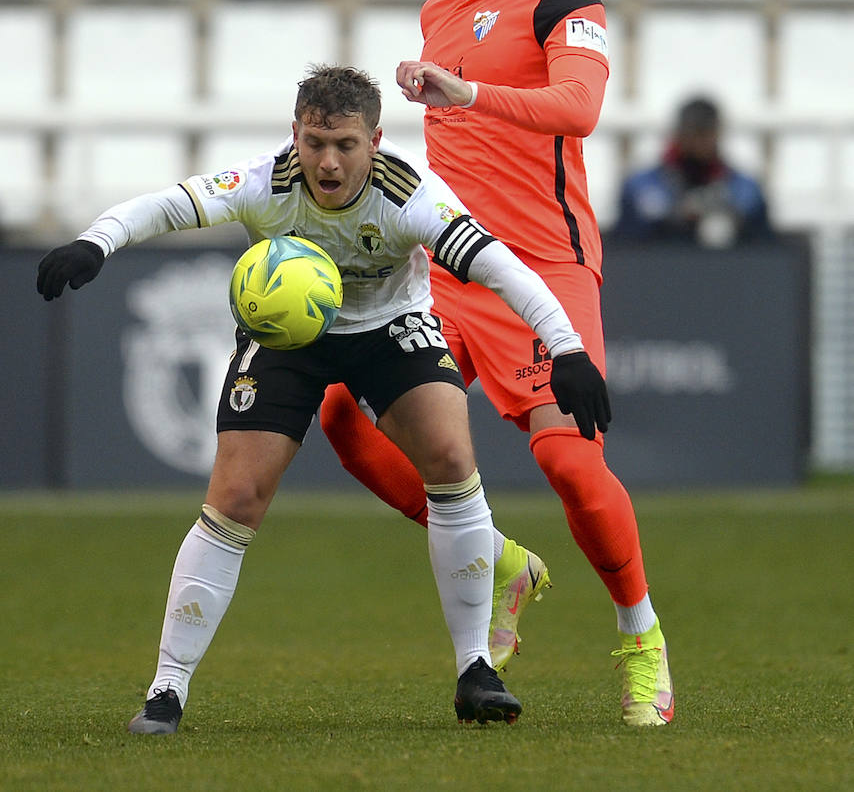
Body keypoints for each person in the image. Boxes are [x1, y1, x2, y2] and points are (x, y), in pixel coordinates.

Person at [36, 64, 611, 733]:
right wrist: (95, 241)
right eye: (314, 143)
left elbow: (499, 266)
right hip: (288, 337)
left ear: (375, 141)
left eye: (344, 145)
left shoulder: (410, 193)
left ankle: (475, 669)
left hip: (388, 327)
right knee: (235, 500)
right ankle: (167, 689)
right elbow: (167, 204)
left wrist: (565, 346)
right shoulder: (264, 181)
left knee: (452, 459)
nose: (328, 162)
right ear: (295, 136)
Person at [318, 0, 674, 726]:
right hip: (442, 273)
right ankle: (503, 561)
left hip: (544, 269)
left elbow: (579, 109)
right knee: (337, 415)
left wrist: (465, 93)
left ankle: (641, 635)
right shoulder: (439, 10)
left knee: (566, 458)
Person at [615, 94, 773, 247]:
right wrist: (674, 218)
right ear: (678, 133)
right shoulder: (642, 186)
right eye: (693, 133)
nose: (699, 143)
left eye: (706, 133)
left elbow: (765, 249)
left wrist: (731, 218)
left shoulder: (744, 189)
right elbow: (627, 245)